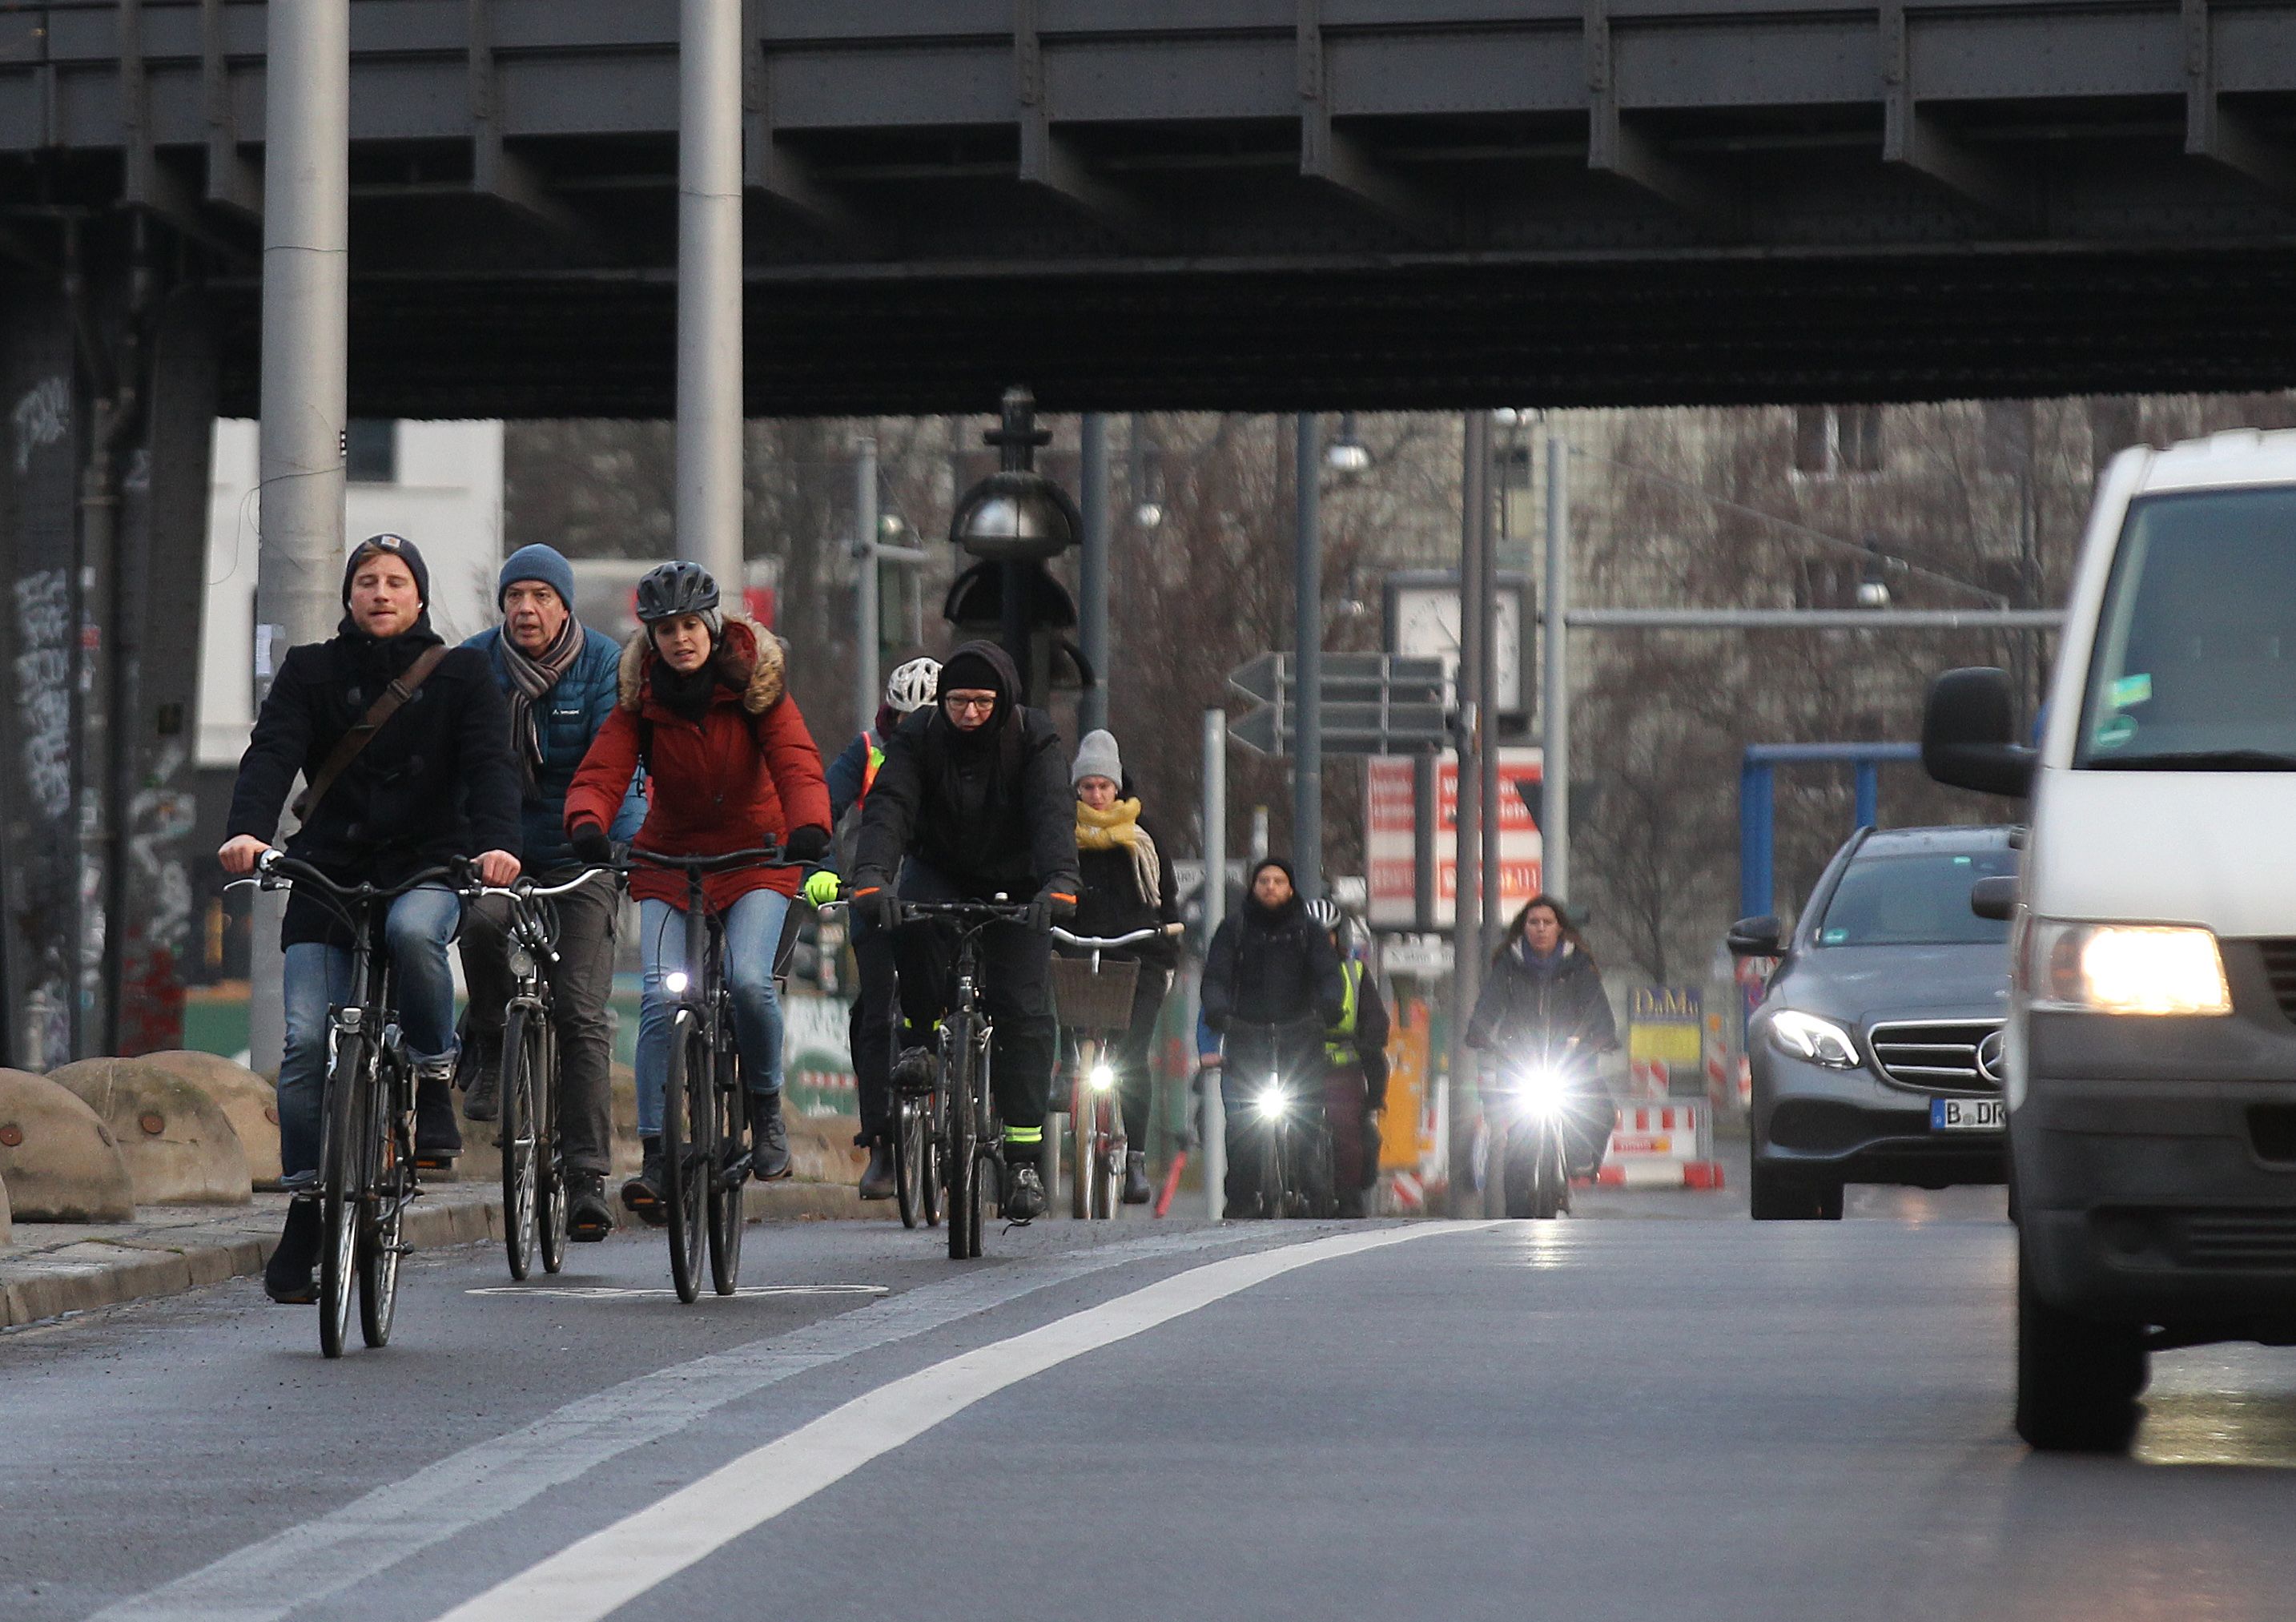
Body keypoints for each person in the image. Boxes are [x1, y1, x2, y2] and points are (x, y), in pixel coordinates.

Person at [219, 533, 522, 1303]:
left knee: (415, 934)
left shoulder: (460, 673)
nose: (380, 593)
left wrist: (495, 845)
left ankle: (432, 1076)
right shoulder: (310, 670)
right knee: (303, 1044)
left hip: (426, 863)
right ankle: (306, 1206)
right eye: (366, 581)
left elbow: (489, 764)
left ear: (419, 595)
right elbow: (271, 751)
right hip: (328, 869)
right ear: (348, 595)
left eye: (395, 581)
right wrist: (248, 830)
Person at [561, 562, 831, 1222]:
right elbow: (602, 770)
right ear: (651, 639)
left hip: (755, 857)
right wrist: (588, 823)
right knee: (661, 995)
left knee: (748, 980)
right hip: (670, 860)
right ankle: (657, 1152)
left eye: (689, 626)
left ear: (711, 626)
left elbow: (796, 761)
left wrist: (808, 826)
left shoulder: (754, 685)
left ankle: (765, 1108)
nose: (679, 639)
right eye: (665, 630)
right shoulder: (641, 697)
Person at [848, 640, 1079, 1222]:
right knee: (909, 924)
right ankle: (921, 1043)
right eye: (957, 701)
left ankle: (1023, 1158)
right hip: (940, 869)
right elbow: (890, 806)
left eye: (981, 701)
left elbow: (1053, 812)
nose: (969, 713)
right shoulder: (919, 735)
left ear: (1002, 700)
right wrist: (872, 874)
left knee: (1024, 1011)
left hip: (1018, 882)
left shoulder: (1033, 737)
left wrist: (1058, 882)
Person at [453, 544, 643, 1242]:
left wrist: (621, 849)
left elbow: (618, 765)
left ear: (564, 606)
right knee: (480, 925)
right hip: (497, 851)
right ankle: (490, 1036)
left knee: (581, 1013)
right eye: (514, 596)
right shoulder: (473, 663)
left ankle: (587, 1174)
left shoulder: (602, 664)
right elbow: (456, 763)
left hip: (580, 852)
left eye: (540, 596)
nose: (526, 609)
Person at [799, 655, 940, 1200]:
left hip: (938, 898)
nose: (915, 731)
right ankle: (881, 1140)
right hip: (872, 894)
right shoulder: (866, 751)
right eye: (906, 720)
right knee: (876, 1012)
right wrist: (820, 869)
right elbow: (820, 810)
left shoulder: (963, 756)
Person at [1064, 729, 1180, 1205]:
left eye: (1103, 786)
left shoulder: (1143, 836)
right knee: (1058, 1006)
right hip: (1078, 948)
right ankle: (1066, 1078)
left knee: (1133, 1055)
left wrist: (1166, 932)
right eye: (1087, 787)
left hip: (1138, 955)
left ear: (1117, 787)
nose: (1096, 795)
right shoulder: (1060, 833)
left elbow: (1166, 898)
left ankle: (1134, 1157)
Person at [1199, 857, 1345, 1216]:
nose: (1270, 887)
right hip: (1246, 1035)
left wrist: (1329, 1006)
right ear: (1253, 886)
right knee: (1243, 1122)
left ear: (1290, 888)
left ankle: (1311, 1186)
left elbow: (1329, 975)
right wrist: (1218, 1010)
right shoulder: (1234, 930)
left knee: (1307, 1113)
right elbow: (1216, 976)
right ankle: (1242, 1195)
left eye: (1278, 881)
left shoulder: (1309, 932)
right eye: (1264, 881)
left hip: (1300, 1036)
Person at [1466, 895, 1619, 1177]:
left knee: (1602, 1111)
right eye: (1534, 922)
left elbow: (1596, 1006)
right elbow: (1489, 1003)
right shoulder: (1508, 966)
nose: (1540, 928)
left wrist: (1603, 1037)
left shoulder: (1578, 966)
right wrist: (1480, 1032)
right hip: (1519, 1060)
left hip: (1570, 1059)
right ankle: (1514, 1174)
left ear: (1559, 927)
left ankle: (1582, 1158)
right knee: (1510, 1122)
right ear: (1523, 927)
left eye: (1547, 922)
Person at [1308, 897, 1389, 1218]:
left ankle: (1349, 1197)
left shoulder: (1354, 973)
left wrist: (1368, 1040)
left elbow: (1375, 1019)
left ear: (1337, 937)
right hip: (1298, 1069)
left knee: (1346, 1131)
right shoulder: (1285, 973)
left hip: (1342, 1069)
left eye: (1326, 935)